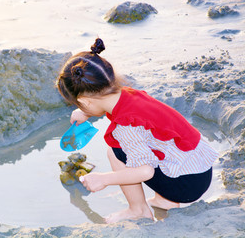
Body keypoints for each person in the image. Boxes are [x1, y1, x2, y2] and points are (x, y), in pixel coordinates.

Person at [55, 38, 219, 223]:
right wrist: (86, 112)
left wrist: (104, 179)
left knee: (116, 151)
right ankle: (164, 201)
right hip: (198, 168)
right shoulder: (129, 94)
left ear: (85, 101)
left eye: (79, 104)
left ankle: (138, 209)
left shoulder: (126, 128)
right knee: (152, 143)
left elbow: (146, 172)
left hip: (186, 185)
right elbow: (105, 105)